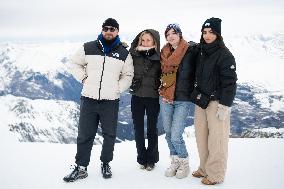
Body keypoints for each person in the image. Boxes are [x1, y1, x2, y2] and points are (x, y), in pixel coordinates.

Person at [63, 18, 134, 182]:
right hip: (89, 98)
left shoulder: (124, 53)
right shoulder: (88, 47)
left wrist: (117, 88)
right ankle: (81, 167)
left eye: (112, 29)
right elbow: (74, 63)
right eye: (106, 28)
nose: (109, 31)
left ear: (117, 31)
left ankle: (105, 163)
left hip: (110, 101)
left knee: (109, 134)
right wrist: (83, 78)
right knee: (84, 135)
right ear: (102, 30)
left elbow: (128, 75)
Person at [191, 17, 237, 185]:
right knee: (201, 137)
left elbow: (230, 82)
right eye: (204, 32)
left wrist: (225, 105)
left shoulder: (225, 55)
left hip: (217, 102)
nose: (207, 35)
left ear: (218, 33)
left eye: (211, 32)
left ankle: (216, 174)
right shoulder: (201, 51)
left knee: (217, 139)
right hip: (201, 101)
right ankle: (204, 168)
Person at [159, 23, 196, 179]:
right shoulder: (164, 52)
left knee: (176, 135)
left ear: (180, 34)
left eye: (174, 33)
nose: (171, 36)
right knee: (168, 134)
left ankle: (184, 163)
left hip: (182, 98)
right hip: (166, 97)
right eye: (168, 34)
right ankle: (175, 161)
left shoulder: (190, 50)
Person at [129, 29, 161, 171]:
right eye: (143, 40)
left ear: (155, 41)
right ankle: (142, 158)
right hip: (136, 97)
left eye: (149, 40)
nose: (145, 42)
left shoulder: (160, 57)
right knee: (138, 129)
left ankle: (151, 160)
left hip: (153, 97)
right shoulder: (133, 55)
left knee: (152, 130)